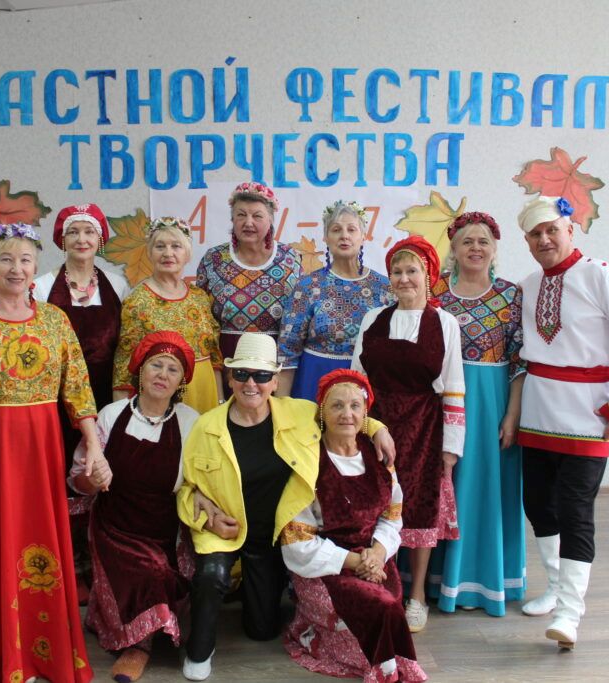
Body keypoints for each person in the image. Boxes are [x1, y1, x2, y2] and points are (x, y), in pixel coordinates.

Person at [0, 223, 108, 683]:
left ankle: (41, 654)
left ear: (36, 267)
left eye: (25, 259)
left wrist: (94, 445)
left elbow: (78, 391)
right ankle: (2, 657)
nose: (16, 268)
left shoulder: (55, 320)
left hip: (40, 451)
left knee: (39, 543)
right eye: (6, 259)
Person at [176, 333, 395, 681]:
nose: (251, 384)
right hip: (224, 531)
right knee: (211, 575)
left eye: (261, 376)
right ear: (229, 378)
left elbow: (344, 414)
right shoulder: (206, 427)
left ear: (276, 381)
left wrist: (378, 428)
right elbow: (186, 489)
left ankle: (257, 594)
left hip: (273, 536)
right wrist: (206, 518)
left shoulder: (301, 413)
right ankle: (199, 649)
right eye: (242, 374)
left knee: (262, 630)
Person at [516, 196, 609, 649]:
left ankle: (570, 611)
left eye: (551, 230)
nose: (544, 239)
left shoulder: (601, 276)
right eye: (535, 234)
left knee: (575, 508)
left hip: (589, 415)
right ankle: (555, 586)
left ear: (570, 231)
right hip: (538, 412)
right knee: (538, 503)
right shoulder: (527, 286)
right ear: (526, 241)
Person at [352, 235, 466, 634]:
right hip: (376, 425)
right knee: (374, 506)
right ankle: (379, 585)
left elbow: (453, 388)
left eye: (412, 271)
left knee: (419, 507)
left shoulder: (444, 323)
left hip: (425, 429)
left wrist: (450, 449)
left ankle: (417, 595)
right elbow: (356, 382)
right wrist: (360, 428)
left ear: (428, 275)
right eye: (397, 271)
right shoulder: (373, 319)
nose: (403, 279)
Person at [282, 369, 425, 683]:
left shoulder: (378, 457)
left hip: (373, 558)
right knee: (381, 606)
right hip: (325, 564)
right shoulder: (309, 462)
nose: (347, 414)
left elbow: (392, 516)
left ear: (365, 414)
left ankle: (385, 660)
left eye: (355, 406)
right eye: (337, 405)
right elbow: (296, 540)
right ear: (322, 411)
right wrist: (357, 561)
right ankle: (382, 666)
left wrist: (377, 553)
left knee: (387, 603)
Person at [71, 331, 199, 683]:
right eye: (156, 365)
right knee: (151, 571)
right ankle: (138, 646)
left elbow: (200, 480)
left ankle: (145, 627)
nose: (162, 375)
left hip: (166, 529)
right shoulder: (111, 415)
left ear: (181, 381)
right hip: (114, 526)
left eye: (172, 369)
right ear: (140, 371)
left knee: (162, 568)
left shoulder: (191, 421)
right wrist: (92, 479)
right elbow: (79, 480)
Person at [427, 211, 527, 616]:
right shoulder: (435, 291)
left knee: (486, 488)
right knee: (444, 486)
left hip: (490, 403)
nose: (475, 248)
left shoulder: (511, 295)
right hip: (442, 399)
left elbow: (520, 360)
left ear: (494, 248)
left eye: (483, 241)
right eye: (467, 241)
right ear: (453, 247)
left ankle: (484, 582)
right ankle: (437, 579)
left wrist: (512, 414)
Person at [34, 203, 129, 602]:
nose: (81, 239)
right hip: (56, 396)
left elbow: (126, 345)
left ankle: (99, 560)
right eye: (73, 232)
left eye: (89, 232)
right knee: (61, 472)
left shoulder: (118, 284)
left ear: (100, 239)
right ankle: (69, 562)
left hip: (106, 394)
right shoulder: (41, 287)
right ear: (61, 238)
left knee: (101, 469)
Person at [276, 200, 392, 400]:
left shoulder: (384, 288)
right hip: (314, 381)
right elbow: (288, 351)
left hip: (367, 386)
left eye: (351, 229)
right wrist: (281, 408)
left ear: (363, 237)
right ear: (326, 238)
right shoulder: (307, 286)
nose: (344, 235)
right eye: (336, 230)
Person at [113, 217, 223, 413]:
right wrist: (122, 415)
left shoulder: (199, 297)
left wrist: (220, 402)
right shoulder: (137, 301)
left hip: (204, 389)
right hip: (161, 392)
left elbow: (214, 357)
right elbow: (124, 366)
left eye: (176, 246)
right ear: (150, 253)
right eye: (160, 246)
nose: (168, 253)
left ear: (187, 254)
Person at [195, 182, 302, 365]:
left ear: (270, 220)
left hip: (274, 360)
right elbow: (202, 319)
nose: (248, 222)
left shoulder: (290, 259)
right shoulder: (214, 259)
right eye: (241, 215)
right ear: (232, 219)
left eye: (257, 216)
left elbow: (298, 317)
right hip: (225, 359)